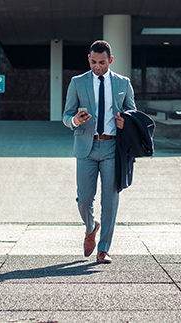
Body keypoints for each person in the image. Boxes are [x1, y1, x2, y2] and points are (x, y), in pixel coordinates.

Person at [62, 40, 136, 264]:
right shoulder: (77, 83)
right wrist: (74, 120)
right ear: (89, 59)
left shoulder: (123, 83)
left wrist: (127, 123)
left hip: (113, 148)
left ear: (110, 61)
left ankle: (103, 249)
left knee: (110, 200)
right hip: (86, 146)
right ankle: (90, 226)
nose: (97, 67)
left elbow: (133, 113)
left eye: (102, 63)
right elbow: (66, 116)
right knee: (84, 199)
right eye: (93, 62)